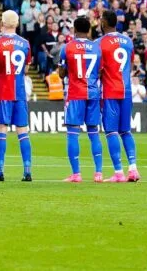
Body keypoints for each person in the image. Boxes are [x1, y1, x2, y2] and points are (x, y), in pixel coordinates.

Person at [0, 10, 34, 182]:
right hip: (19, 92)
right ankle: (27, 170)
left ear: (3, 23)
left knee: (1, 131)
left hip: (3, 92)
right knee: (23, 132)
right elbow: (26, 69)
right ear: (17, 23)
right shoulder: (25, 43)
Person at [59, 15, 105, 183]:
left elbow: (61, 73)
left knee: (72, 133)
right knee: (94, 133)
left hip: (75, 93)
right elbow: (100, 72)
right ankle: (98, 173)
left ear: (75, 30)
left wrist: (63, 70)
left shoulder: (67, 47)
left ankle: (76, 174)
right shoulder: (97, 48)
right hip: (93, 93)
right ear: (89, 30)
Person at [98, 11, 140, 182]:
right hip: (127, 90)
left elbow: (99, 69)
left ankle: (118, 172)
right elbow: (129, 64)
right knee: (126, 131)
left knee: (111, 131)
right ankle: (133, 169)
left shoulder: (100, 43)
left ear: (103, 22)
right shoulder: (128, 41)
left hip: (110, 90)